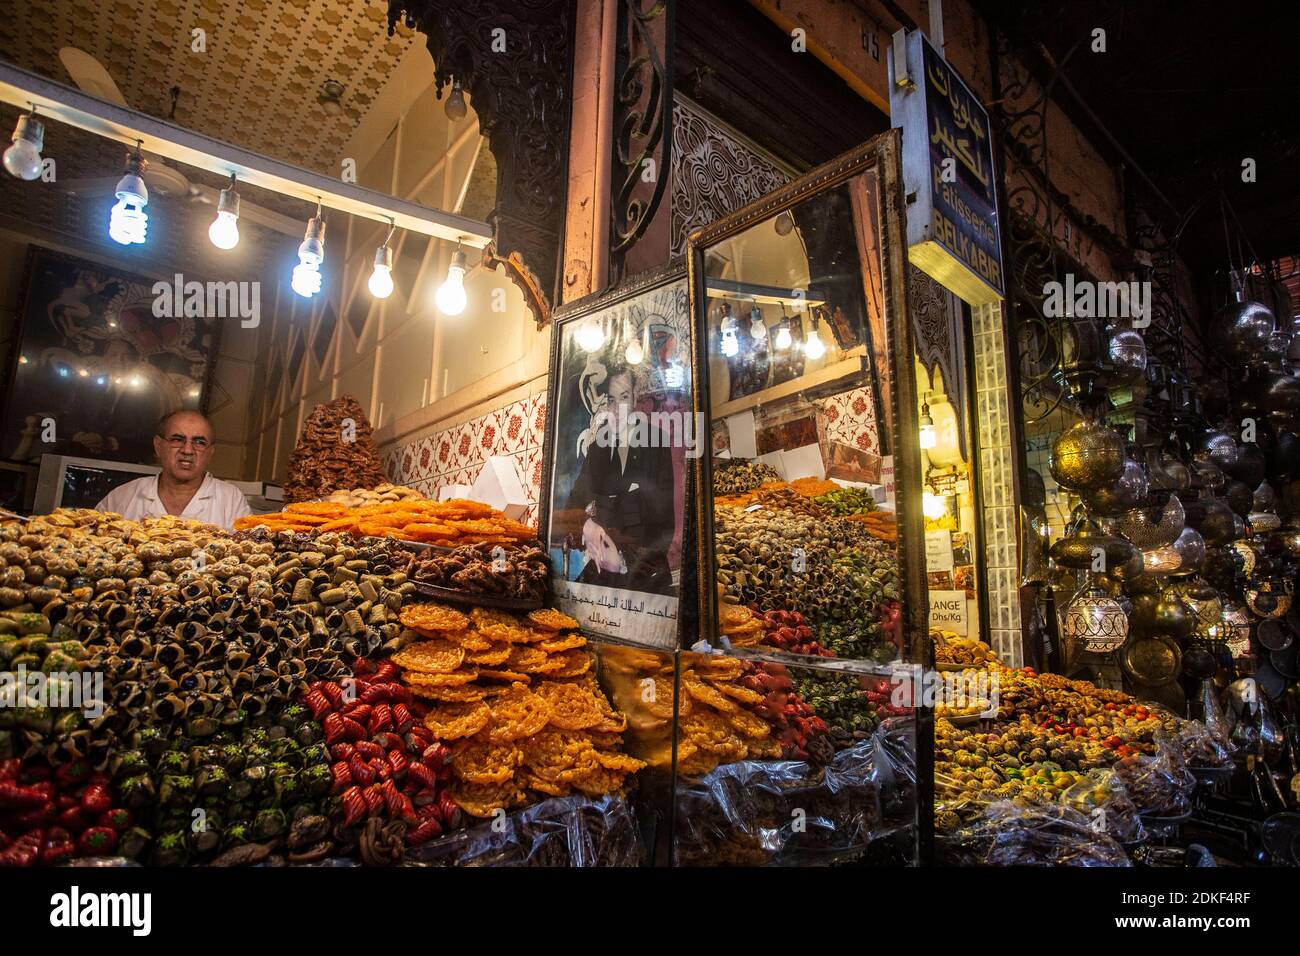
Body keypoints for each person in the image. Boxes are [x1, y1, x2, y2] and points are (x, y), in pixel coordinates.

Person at [563, 366, 675, 595]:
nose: (617, 409)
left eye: (624, 397)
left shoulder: (656, 441)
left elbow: (664, 520)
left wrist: (630, 557)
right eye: (611, 400)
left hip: (645, 571)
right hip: (605, 572)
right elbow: (572, 504)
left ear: (635, 396)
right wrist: (587, 524)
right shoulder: (598, 449)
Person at [95, 409, 252, 529]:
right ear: (158, 446)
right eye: (177, 440)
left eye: (199, 442)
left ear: (210, 452)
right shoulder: (122, 497)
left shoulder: (231, 499)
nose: (188, 450)